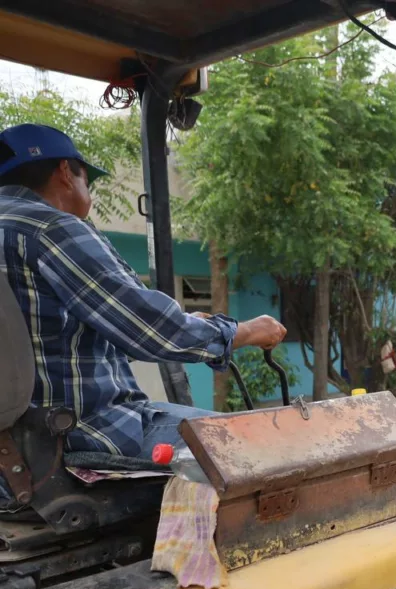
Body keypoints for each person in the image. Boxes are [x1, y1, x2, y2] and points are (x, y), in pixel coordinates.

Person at [0, 124, 286, 500]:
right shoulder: (50, 228)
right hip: (80, 433)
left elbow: (65, 333)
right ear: (66, 173)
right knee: (268, 448)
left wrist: (187, 325)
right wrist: (244, 331)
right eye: (89, 180)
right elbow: (152, 331)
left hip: (15, 446)